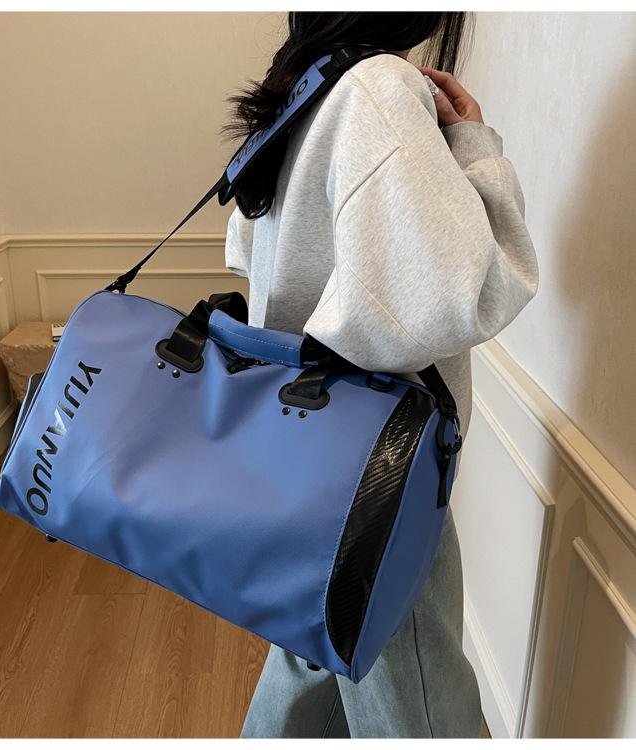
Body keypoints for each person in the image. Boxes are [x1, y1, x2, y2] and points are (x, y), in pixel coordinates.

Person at [222, 11, 539, 739]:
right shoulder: (379, 88)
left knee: (312, 657)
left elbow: (248, 251)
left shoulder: (302, 90)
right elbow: (464, 290)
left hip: (297, 440)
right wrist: (474, 146)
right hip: (377, 468)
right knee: (419, 704)